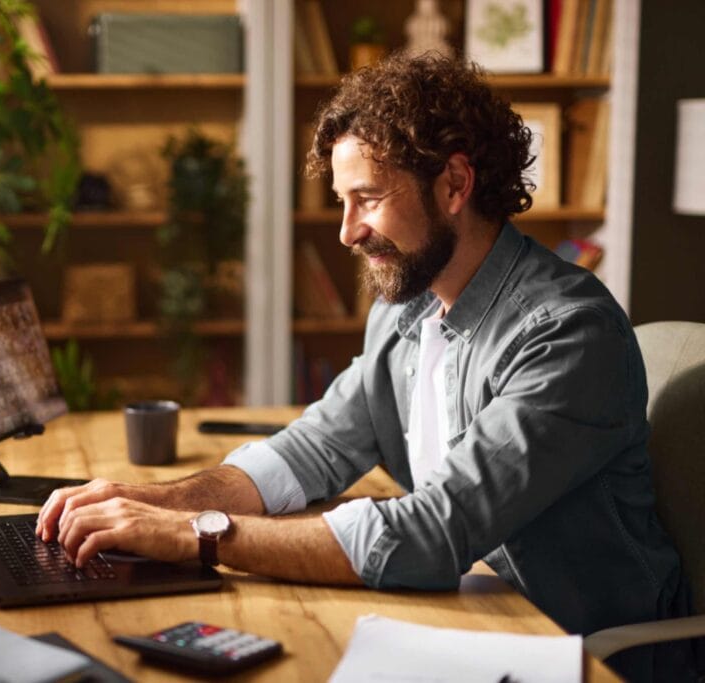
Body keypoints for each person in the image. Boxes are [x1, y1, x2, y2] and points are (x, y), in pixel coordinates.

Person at [36, 55, 701, 681]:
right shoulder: (409, 304)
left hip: (581, 652)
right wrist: (150, 502)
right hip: (475, 613)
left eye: (369, 198)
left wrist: (196, 535)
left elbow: (435, 530)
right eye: (342, 201)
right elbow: (316, 446)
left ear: (454, 184)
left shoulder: (565, 333)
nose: (347, 231)